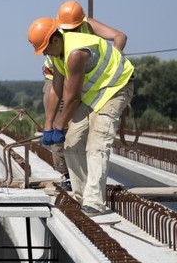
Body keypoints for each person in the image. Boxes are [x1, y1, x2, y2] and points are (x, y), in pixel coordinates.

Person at [28, 17, 134, 217]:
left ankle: (94, 203)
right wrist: (48, 125)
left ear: (56, 40)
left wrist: (59, 127)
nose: (43, 53)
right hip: (94, 93)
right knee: (72, 141)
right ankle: (82, 196)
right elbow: (56, 89)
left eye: (44, 47)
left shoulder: (76, 52)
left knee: (97, 144)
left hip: (115, 89)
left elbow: (73, 98)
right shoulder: (56, 55)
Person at [41, 0, 129, 191]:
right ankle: (66, 174)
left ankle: (89, 185)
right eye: (66, 28)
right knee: (61, 123)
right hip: (59, 75)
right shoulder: (56, 38)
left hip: (87, 81)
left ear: (81, 22)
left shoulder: (86, 27)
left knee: (84, 133)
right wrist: (51, 125)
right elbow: (58, 89)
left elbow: (119, 36)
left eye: (74, 28)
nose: (70, 31)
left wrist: (114, 58)